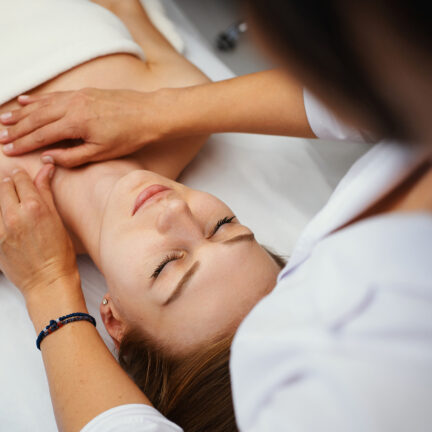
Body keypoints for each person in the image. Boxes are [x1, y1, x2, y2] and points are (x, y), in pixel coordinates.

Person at [1, 0, 431, 431]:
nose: (173, 209)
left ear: (113, 318)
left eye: (167, 265)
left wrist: (45, 283)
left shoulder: (7, 233)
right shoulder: (181, 108)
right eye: (222, 227)